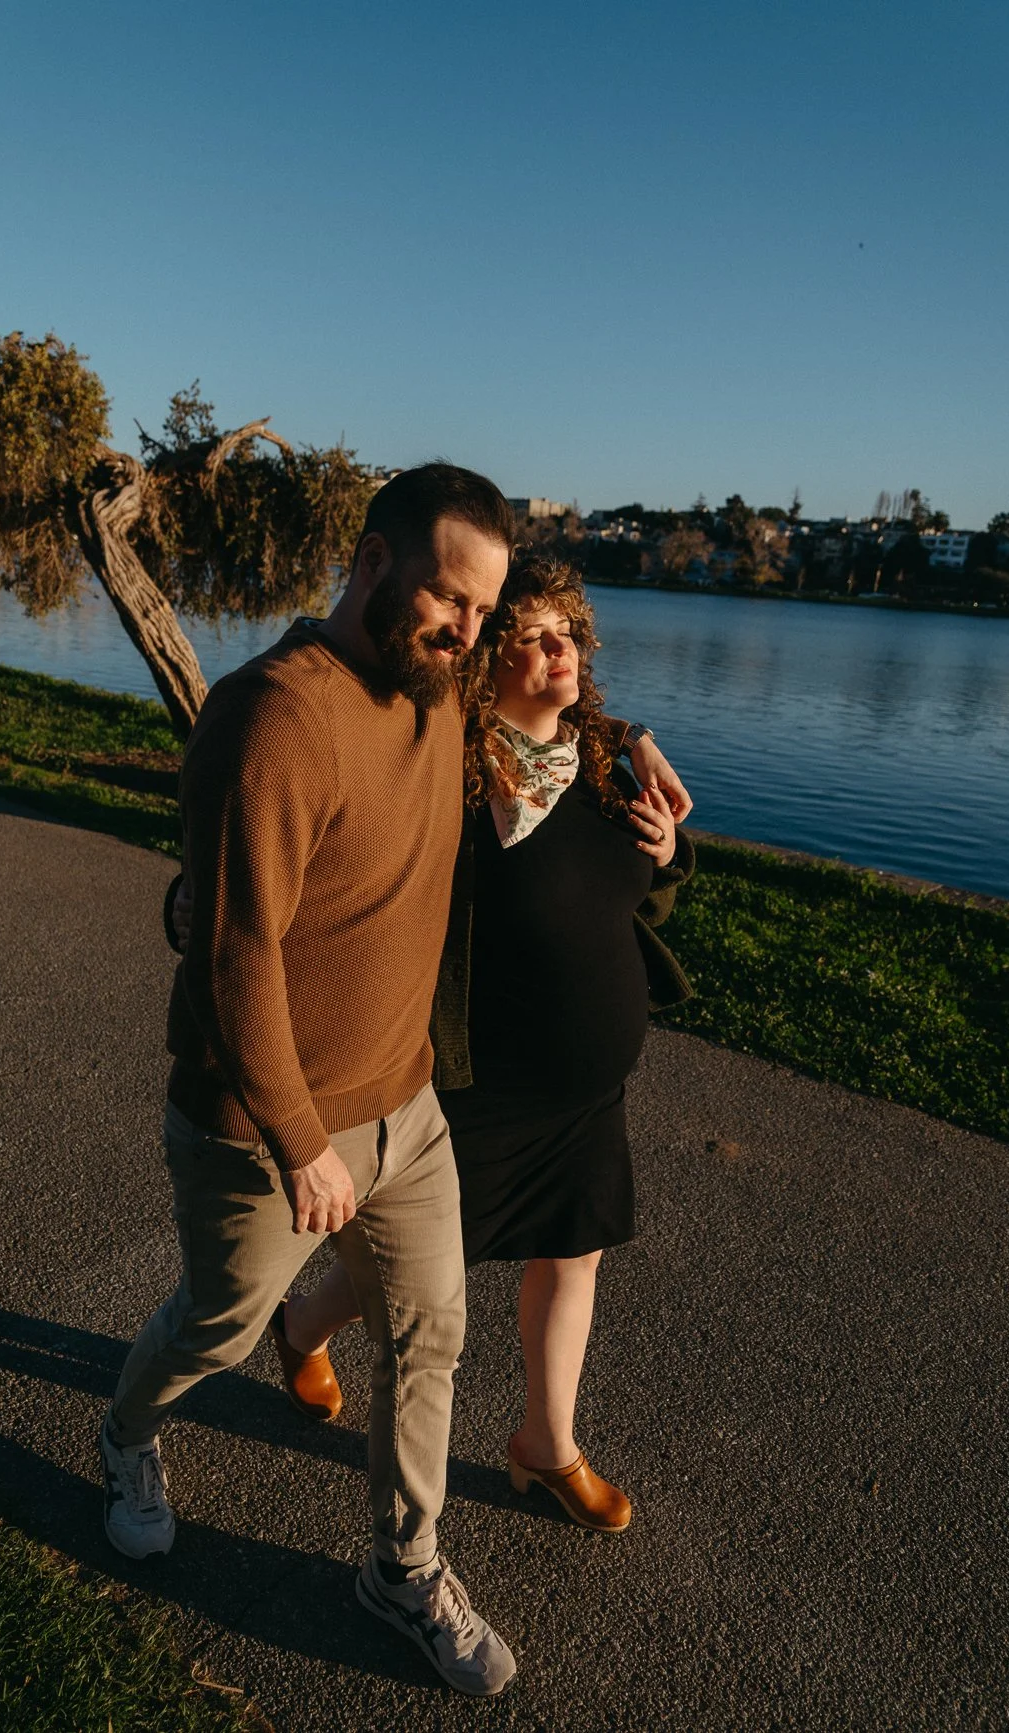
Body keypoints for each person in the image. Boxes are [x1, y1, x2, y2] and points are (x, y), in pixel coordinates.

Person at [102, 462, 523, 1698]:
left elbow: (554, 684)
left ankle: (401, 1566)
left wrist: (633, 754)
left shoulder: (439, 690)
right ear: (372, 562)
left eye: (483, 612)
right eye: (450, 599)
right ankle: (125, 1434)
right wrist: (299, 1138)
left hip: (407, 1108)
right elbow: (235, 951)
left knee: (430, 1334)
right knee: (218, 1325)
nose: (467, 632)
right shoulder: (275, 714)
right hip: (264, 1127)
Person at [169, 554, 694, 1537]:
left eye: (569, 633)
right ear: (486, 659)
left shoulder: (597, 762)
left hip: (585, 1092)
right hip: (480, 1078)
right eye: (531, 636)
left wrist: (666, 844)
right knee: (420, 1265)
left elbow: (631, 893)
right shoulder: (442, 769)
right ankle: (301, 1324)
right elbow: (342, 855)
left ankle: (545, 1444)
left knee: (572, 1255)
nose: (560, 651)